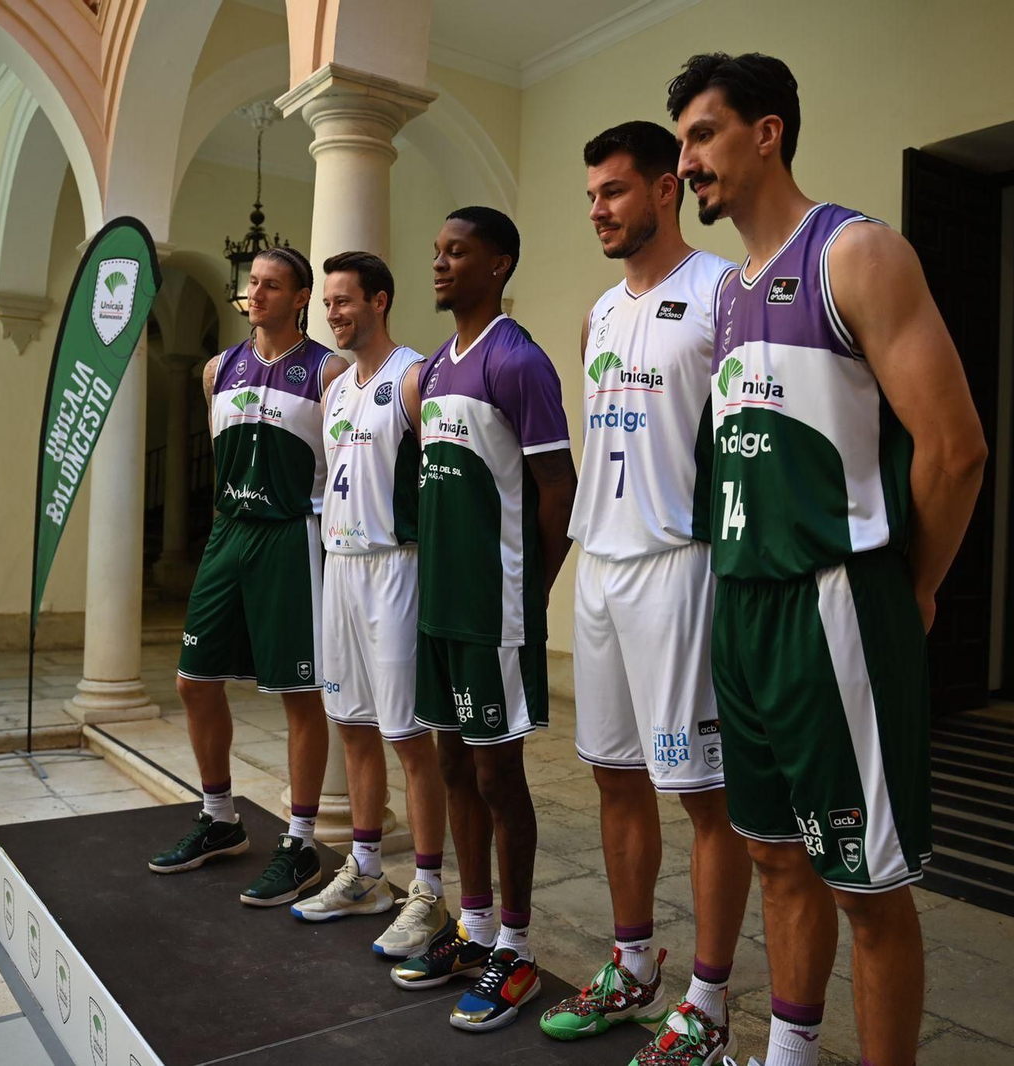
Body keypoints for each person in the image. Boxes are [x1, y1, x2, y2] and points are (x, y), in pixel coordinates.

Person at [668, 53, 988, 1066]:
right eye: (679, 142)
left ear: (767, 132)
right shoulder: (724, 298)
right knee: (771, 852)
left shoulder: (855, 253)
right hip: (743, 605)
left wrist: (916, 587)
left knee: (867, 885)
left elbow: (954, 449)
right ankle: (790, 1053)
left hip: (833, 605)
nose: (688, 162)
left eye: (704, 135)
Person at [537, 121, 752, 1066]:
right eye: (591, 196)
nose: (598, 210)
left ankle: (708, 1004)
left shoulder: (720, 295)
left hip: (682, 565)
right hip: (603, 564)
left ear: (667, 189)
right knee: (613, 776)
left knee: (704, 793)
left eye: (615, 192)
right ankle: (632, 968)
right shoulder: (596, 313)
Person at [388, 207, 577, 1034]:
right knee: (453, 765)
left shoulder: (519, 360)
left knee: (501, 778)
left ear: (498, 264)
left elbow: (558, 492)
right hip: (442, 611)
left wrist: (528, 597)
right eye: (436, 251)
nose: (439, 264)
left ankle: (519, 948)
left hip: (496, 608)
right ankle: (472, 929)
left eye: (455, 252)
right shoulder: (431, 368)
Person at [149, 247, 349, 909]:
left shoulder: (329, 370)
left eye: (271, 285)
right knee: (193, 680)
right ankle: (220, 817)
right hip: (228, 532)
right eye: (251, 283)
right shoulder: (217, 369)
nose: (255, 293)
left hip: (293, 536)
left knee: (298, 692)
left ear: (300, 298)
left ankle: (299, 841)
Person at [288, 251, 452, 959]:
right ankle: (364, 874)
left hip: (396, 567)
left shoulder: (413, 378)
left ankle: (428, 890)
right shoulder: (334, 391)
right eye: (328, 303)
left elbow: (445, 487)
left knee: (409, 739)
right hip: (342, 568)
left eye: (345, 301)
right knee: (350, 724)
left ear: (380, 301)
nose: (333, 313)